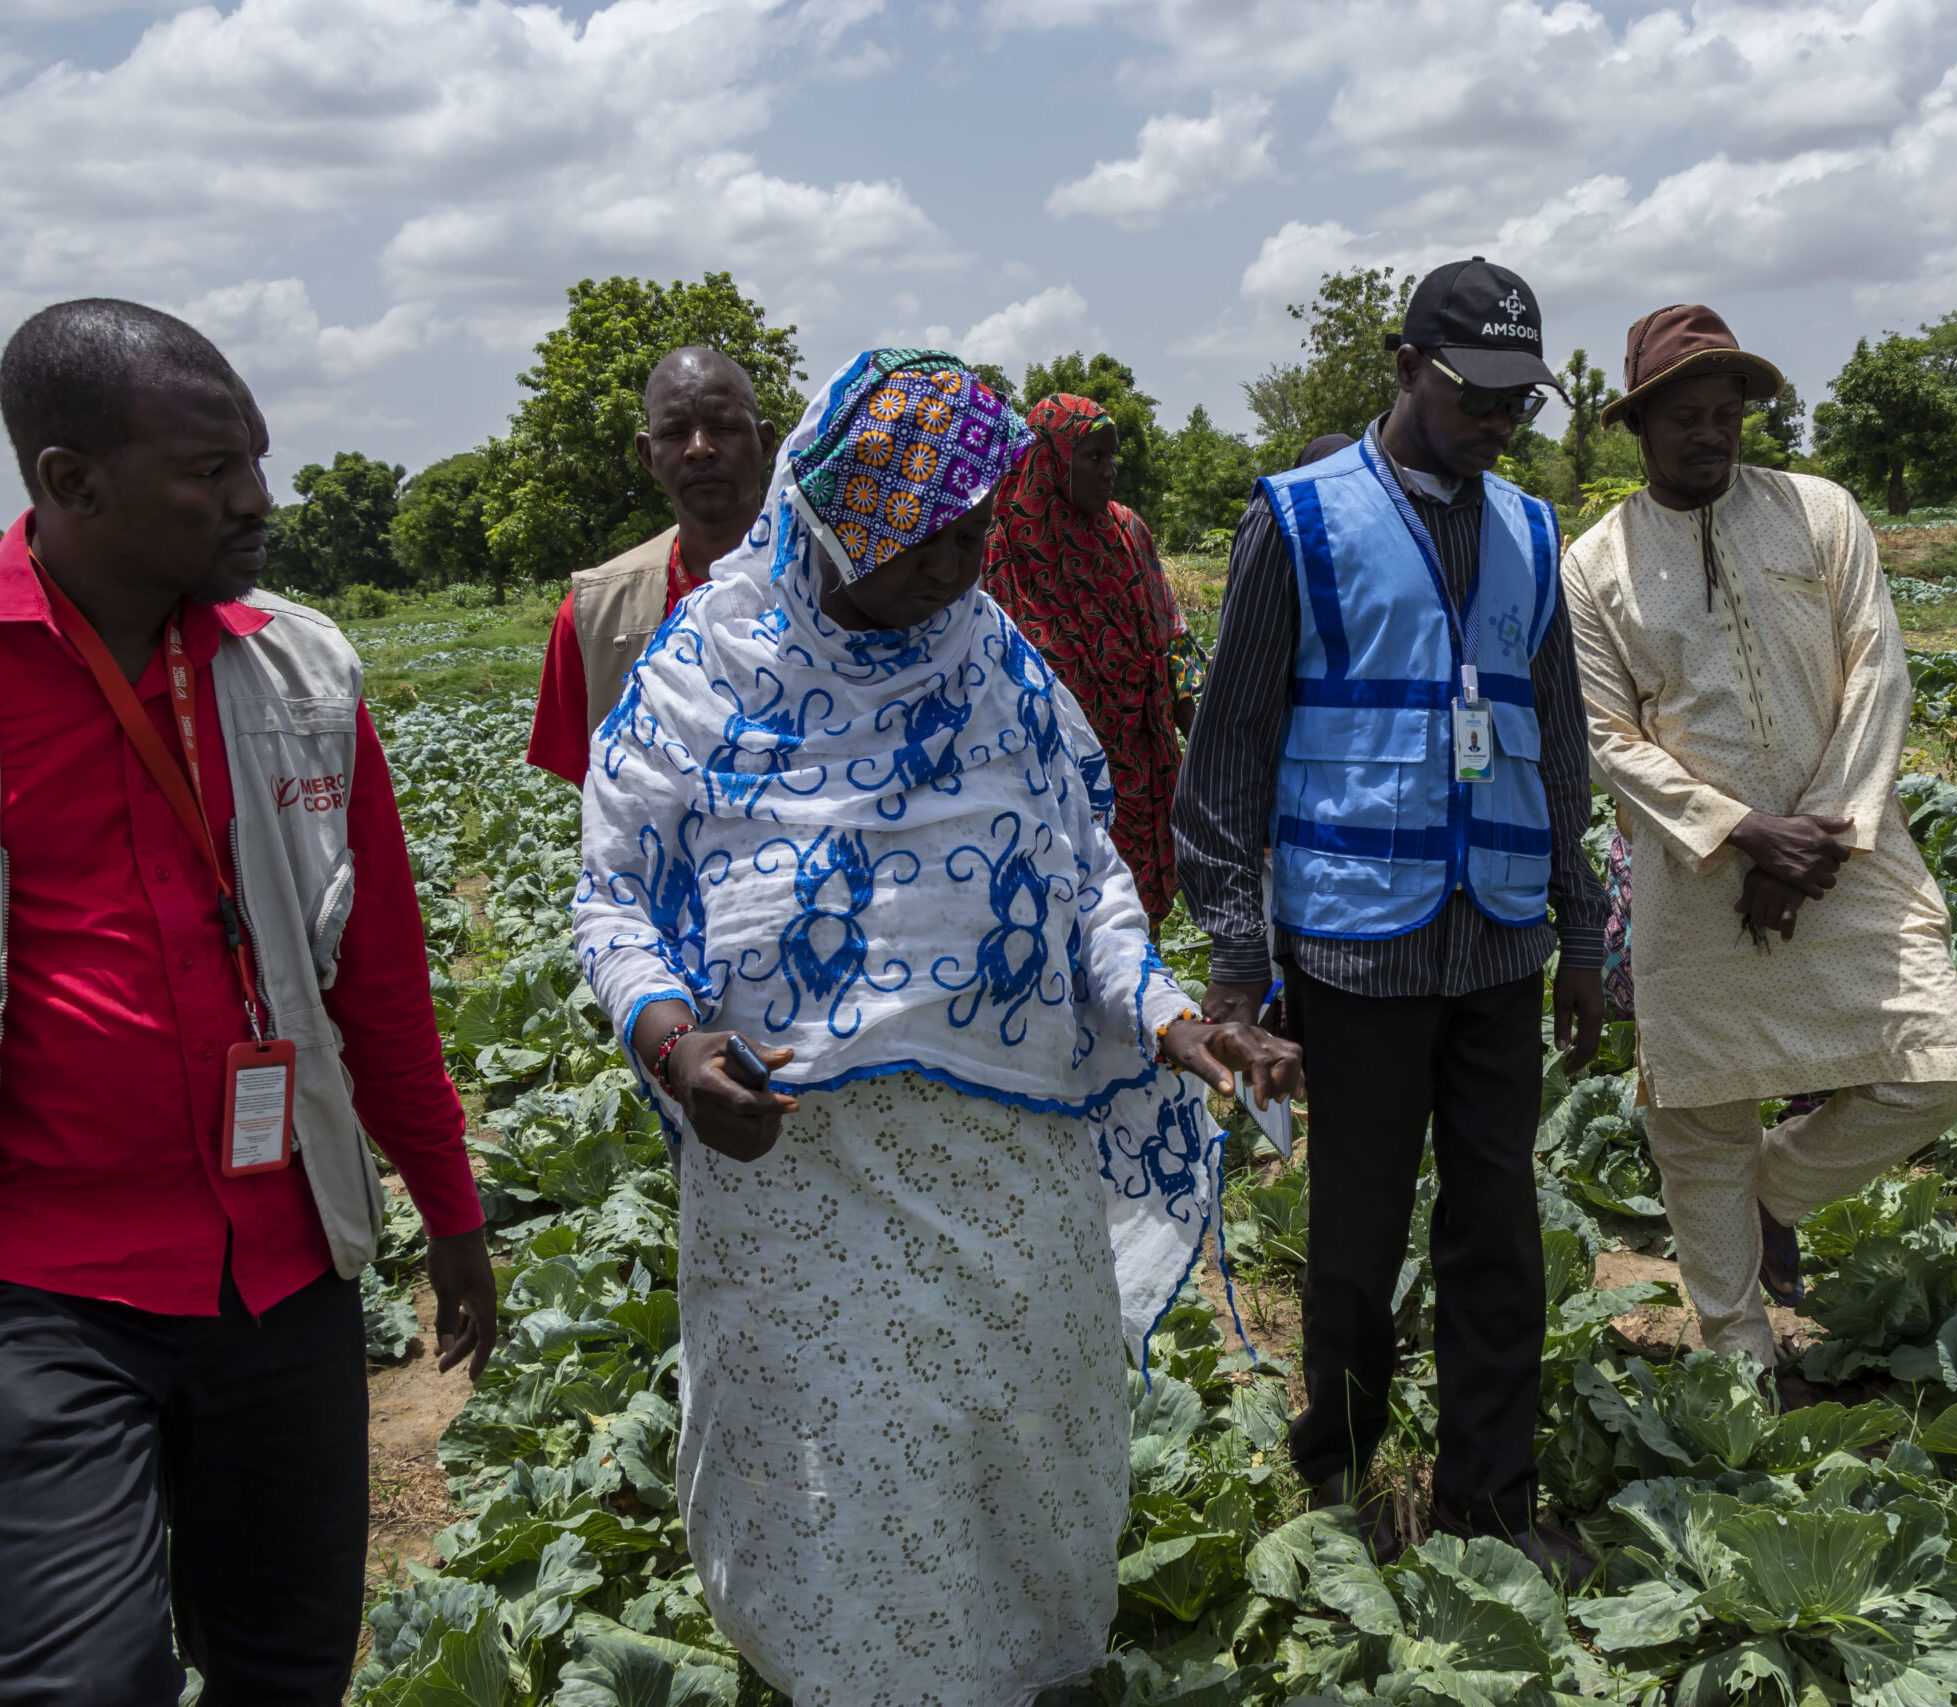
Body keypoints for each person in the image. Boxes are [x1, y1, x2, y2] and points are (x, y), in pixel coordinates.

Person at [572, 347, 1301, 1703]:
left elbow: (1088, 880)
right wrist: (674, 1043)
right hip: (796, 1162)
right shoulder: (704, 667)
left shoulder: (997, 664)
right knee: (843, 1461)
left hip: (1006, 1149)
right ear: (836, 509)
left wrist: (1171, 1014)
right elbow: (615, 900)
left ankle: (1020, 1666)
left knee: (1028, 1435)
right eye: (922, 536)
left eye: (974, 531)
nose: (957, 565)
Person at [0, 300, 493, 1702]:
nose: (255, 499)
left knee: (287, 1660)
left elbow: (381, 979)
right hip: (45, 1279)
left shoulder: (301, 666)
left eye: (255, 458)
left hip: (282, 1259)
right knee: (81, 1679)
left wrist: (449, 1209)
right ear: (70, 481)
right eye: (210, 471)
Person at [1173, 258, 1606, 1581]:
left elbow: (1560, 744)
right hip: (1355, 940)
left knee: (1498, 1228)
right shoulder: (1298, 519)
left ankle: (1488, 1497)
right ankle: (1341, 1469)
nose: (1493, 420)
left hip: (1495, 939)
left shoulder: (1532, 532)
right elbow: (1227, 755)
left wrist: (1581, 926)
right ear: (1406, 365)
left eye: (1515, 401)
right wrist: (1239, 958)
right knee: (1356, 1233)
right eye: (1472, 392)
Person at [1562, 303, 1957, 1383]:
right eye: (1685, 419)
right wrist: (1741, 833)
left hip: (1849, 853)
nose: (1709, 434)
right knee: (1697, 1117)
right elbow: (1601, 735)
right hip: (1689, 871)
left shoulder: (1820, 514)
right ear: (1639, 426)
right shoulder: (1594, 564)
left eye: (1726, 414)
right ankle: (1736, 1350)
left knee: (1938, 1064)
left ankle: (1771, 1194)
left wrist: (1821, 837)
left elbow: (1876, 673)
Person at [982, 392, 1196, 924]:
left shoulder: (1128, 533)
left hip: (1140, 769)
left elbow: (1174, 644)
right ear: (1051, 461)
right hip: (1050, 786)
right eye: (1093, 457)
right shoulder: (1001, 547)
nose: (1110, 471)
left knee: (1135, 926)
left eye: (1113, 457)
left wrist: (1207, 751)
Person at [524, 345, 777, 784]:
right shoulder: (593, 614)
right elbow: (591, 783)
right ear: (647, 455)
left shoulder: (837, 587)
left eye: (723, 426)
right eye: (675, 432)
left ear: (765, 443)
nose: (700, 448)